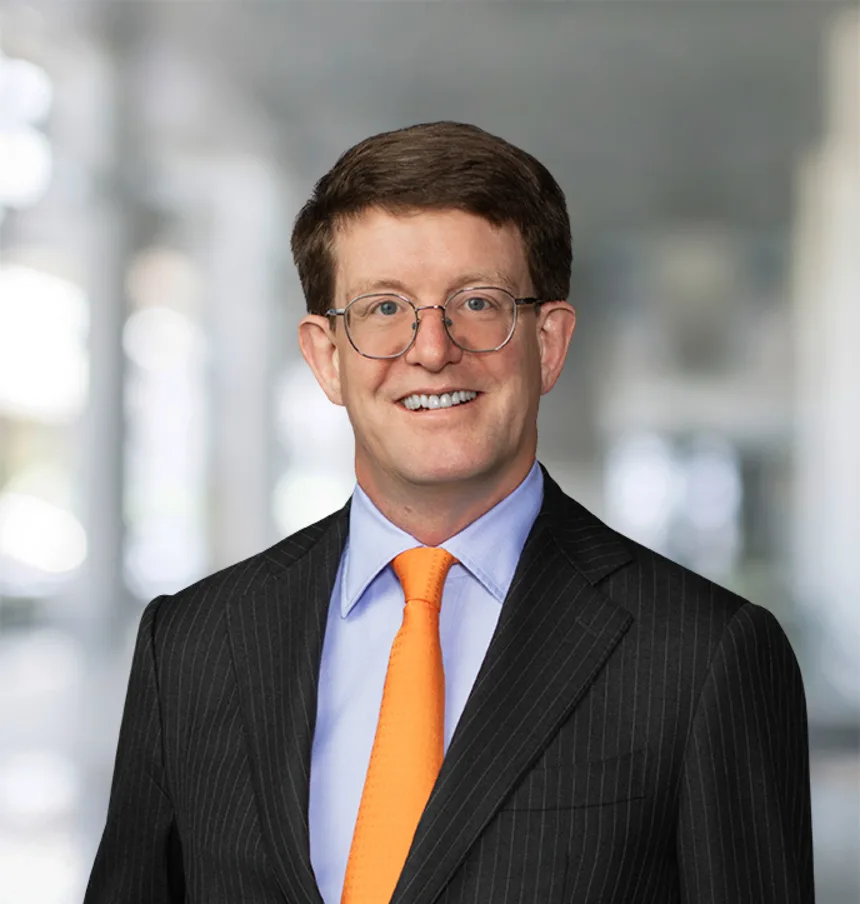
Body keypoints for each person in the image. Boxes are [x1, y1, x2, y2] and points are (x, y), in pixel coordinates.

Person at [85, 121, 815, 904]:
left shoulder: (703, 657)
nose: (432, 349)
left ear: (548, 343)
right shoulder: (191, 645)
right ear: (326, 357)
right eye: (384, 307)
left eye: (477, 303)